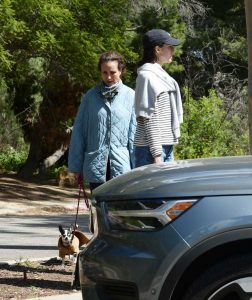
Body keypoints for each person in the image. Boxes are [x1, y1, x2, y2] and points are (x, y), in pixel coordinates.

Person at [68, 51, 136, 192]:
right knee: (98, 212)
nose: (109, 77)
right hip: (96, 167)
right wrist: (75, 167)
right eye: (104, 72)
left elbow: (134, 135)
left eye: (113, 72)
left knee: (118, 212)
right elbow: (79, 132)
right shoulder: (90, 97)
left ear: (121, 71)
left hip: (122, 168)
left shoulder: (131, 96)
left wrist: (138, 169)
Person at [134, 29, 183, 167]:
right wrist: (157, 154)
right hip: (151, 150)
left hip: (163, 146)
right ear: (158, 50)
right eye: (170, 47)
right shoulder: (147, 76)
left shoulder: (160, 76)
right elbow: (148, 117)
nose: (173, 50)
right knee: (150, 189)